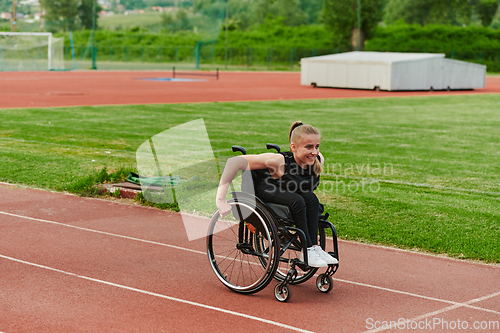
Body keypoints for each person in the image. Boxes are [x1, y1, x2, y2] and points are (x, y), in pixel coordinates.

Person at [216, 121, 338, 268]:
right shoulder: (279, 161)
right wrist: (220, 199)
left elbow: (311, 150)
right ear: (293, 147)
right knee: (297, 200)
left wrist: (300, 131)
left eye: (317, 146)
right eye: (309, 147)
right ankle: (307, 250)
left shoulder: (316, 160)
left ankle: (313, 248)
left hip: (289, 191)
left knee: (312, 199)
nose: (314, 151)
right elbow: (233, 162)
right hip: (267, 190)